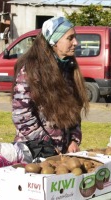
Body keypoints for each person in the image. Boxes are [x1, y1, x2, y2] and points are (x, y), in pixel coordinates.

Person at [12, 16, 89, 154]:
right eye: (70, 38)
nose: (76, 42)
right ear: (54, 41)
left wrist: (73, 140)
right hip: (35, 151)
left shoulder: (69, 68)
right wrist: (47, 146)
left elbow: (74, 109)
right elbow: (21, 114)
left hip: (62, 152)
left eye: (75, 37)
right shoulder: (31, 70)